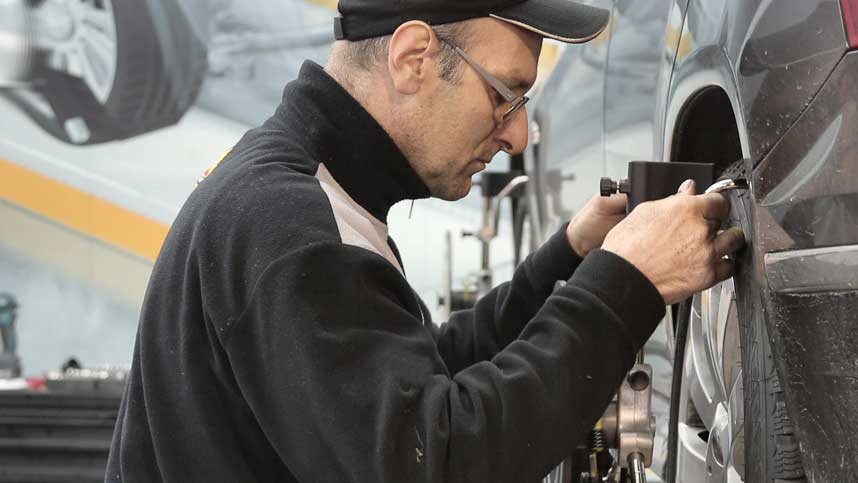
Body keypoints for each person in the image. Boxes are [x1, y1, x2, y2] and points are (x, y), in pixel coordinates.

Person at [106, 0, 745, 481]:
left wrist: (572, 257)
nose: (519, 137)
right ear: (413, 58)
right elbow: (434, 456)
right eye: (506, 95)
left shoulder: (308, 187)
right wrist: (626, 285)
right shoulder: (290, 225)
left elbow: (413, 376)